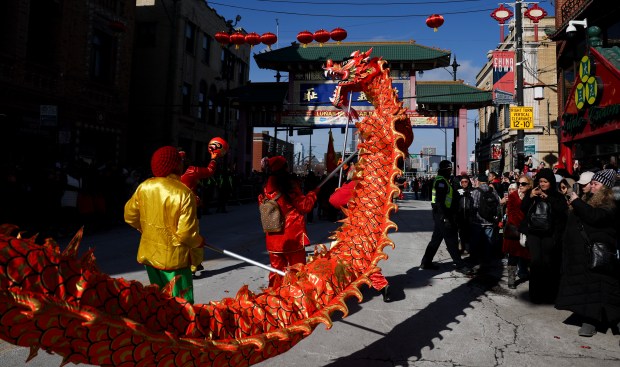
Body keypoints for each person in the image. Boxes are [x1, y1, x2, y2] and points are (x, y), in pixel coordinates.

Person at [124, 146, 204, 304]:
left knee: (158, 301)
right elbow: (186, 234)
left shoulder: (144, 187)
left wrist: (146, 230)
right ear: (175, 165)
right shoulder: (184, 193)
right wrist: (199, 242)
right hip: (175, 260)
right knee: (181, 306)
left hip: (151, 257)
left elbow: (129, 216)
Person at [556, 169, 620, 337]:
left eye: (595, 184)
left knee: (605, 290)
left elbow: (595, 217)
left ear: (605, 188)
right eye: (591, 183)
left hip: (599, 254)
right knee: (588, 289)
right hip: (583, 255)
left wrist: (577, 202)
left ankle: (602, 321)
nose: (592, 186)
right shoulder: (588, 200)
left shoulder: (610, 204)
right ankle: (589, 320)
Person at [329, 164, 392, 302]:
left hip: (357, 231)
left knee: (357, 259)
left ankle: (382, 285)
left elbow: (333, 200)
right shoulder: (373, 185)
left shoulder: (354, 185)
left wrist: (341, 190)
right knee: (359, 259)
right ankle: (359, 284)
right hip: (372, 227)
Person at [259, 156, 319, 288]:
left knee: (276, 274)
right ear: (284, 168)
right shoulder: (290, 185)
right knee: (297, 272)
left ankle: (274, 300)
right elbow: (305, 206)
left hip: (273, 236)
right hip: (292, 236)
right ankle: (296, 299)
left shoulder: (265, 187)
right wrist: (313, 194)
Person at [520, 168, 568, 304]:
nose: (542, 184)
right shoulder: (532, 193)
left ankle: (550, 294)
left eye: (545, 182)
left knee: (548, 263)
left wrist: (548, 198)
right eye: (540, 181)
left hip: (550, 234)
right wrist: (530, 197)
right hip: (534, 234)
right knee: (535, 263)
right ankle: (535, 295)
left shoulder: (557, 195)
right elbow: (523, 209)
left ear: (551, 182)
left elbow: (562, 211)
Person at [180, 138, 227, 276]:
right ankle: (193, 265)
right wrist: (214, 158)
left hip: (173, 208)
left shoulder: (168, 175)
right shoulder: (190, 170)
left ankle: (185, 264)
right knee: (192, 236)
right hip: (189, 209)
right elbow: (209, 171)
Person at [419, 160, 472, 275]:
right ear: (444, 170)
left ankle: (426, 262)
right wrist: (445, 217)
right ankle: (460, 265)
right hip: (443, 215)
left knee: (436, 240)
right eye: (449, 169)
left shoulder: (443, 181)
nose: (450, 171)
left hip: (441, 214)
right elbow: (439, 202)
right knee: (451, 240)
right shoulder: (441, 182)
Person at [503, 175, 532, 289]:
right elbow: (511, 213)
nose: (520, 186)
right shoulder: (513, 196)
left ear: (529, 185)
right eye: (519, 183)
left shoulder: (531, 196)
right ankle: (511, 279)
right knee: (513, 256)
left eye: (523, 184)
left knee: (527, 254)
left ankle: (525, 274)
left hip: (527, 230)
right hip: (514, 231)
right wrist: (522, 222)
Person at [469, 173, 501, 271]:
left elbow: (473, 206)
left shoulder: (476, 191)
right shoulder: (492, 190)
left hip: (478, 221)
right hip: (490, 221)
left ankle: (475, 260)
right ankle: (486, 260)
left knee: (476, 241)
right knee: (488, 242)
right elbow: (498, 204)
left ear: (478, 181)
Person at [455, 174, 473, 255]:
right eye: (462, 182)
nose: (464, 183)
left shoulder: (472, 191)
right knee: (461, 233)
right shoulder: (458, 191)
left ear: (468, 182)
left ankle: (468, 248)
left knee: (469, 233)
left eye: (466, 181)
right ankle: (462, 248)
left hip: (470, 216)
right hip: (460, 216)